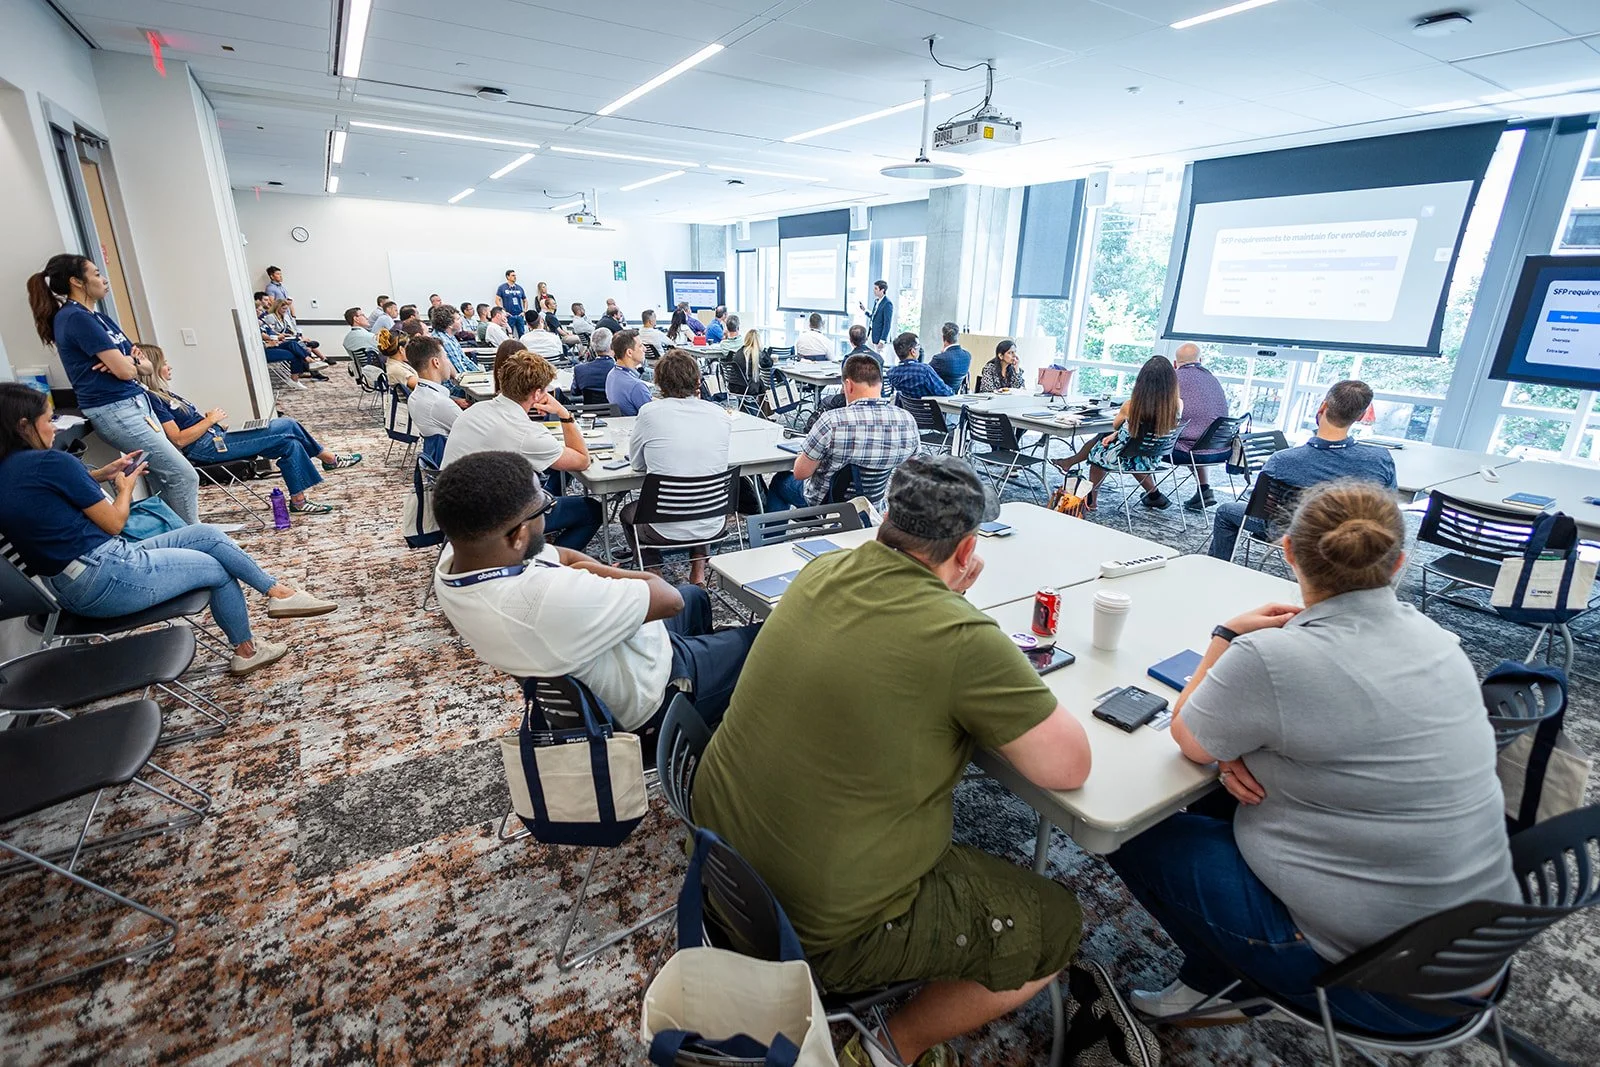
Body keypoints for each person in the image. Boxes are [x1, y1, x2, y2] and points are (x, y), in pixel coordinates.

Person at [694, 455, 1092, 1067]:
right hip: (823, 928)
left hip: (723, 867)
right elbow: (1070, 768)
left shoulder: (821, 569)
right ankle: (889, 1048)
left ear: (886, 520)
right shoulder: (959, 636)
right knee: (1058, 922)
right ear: (966, 549)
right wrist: (953, 604)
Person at [1107, 479, 1517, 1034]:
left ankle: (1225, 984)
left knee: (1126, 830)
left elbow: (1189, 737)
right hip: (1474, 957)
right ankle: (1226, 967)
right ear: (1398, 564)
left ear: (1288, 552)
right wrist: (1241, 747)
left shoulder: (1272, 656)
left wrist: (1225, 636)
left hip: (1373, 986)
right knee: (1215, 804)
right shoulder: (1437, 639)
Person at [0, 383, 339, 676]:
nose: (56, 429)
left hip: (73, 581)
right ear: (23, 425)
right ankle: (247, 652)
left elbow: (45, 496)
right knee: (218, 569)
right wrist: (126, 487)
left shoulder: (11, 468)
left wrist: (100, 475)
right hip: (103, 576)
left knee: (205, 535)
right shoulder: (51, 462)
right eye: (50, 420)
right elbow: (115, 523)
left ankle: (277, 593)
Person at [431, 450, 761, 732]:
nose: (548, 513)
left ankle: (715, 700)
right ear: (516, 536)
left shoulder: (461, 559)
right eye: (544, 509)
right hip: (650, 695)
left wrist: (599, 575)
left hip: (610, 656)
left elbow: (561, 555)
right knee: (763, 638)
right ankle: (698, 700)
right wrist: (606, 577)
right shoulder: (548, 597)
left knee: (696, 596)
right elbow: (667, 599)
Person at [26, 254, 201, 524]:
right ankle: (194, 539)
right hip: (116, 410)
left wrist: (128, 362)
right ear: (77, 281)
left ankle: (171, 538)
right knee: (183, 475)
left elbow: (143, 365)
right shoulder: (74, 318)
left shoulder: (100, 319)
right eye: (96, 274)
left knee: (162, 477)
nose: (103, 279)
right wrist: (127, 365)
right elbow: (125, 370)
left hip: (136, 405)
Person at [137, 344, 359, 515]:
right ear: (153, 369)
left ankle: (299, 502)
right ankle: (329, 458)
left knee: (289, 443)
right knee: (288, 424)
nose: (170, 367)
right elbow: (177, 440)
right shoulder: (155, 399)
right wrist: (209, 420)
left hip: (215, 437)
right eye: (165, 363)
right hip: (206, 448)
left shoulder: (166, 394)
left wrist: (209, 422)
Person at [1207, 379, 1395, 560]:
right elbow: (1387, 507)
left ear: (1323, 407)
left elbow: (1260, 509)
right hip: (1351, 538)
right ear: (1361, 416)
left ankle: (1217, 570)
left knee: (1225, 512)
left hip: (1293, 532)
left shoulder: (1283, 460)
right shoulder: (1380, 459)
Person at [442, 349, 602, 551]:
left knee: (548, 478)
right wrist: (563, 413)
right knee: (593, 510)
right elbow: (582, 460)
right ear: (537, 393)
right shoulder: (525, 433)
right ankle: (549, 567)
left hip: (452, 511)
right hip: (492, 522)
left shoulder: (476, 409)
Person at [622, 351, 732, 586]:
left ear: (659, 383)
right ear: (697, 382)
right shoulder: (721, 415)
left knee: (628, 513)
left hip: (663, 526)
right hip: (713, 521)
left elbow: (637, 464)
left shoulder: (649, 413)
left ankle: (655, 575)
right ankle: (698, 572)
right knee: (700, 499)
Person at [767, 354, 918, 511]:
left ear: (848, 385)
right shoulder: (907, 419)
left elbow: (800, 473)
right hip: (872, 507)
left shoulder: (832, 421)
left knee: (780, 482)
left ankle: (772, 535)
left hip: (826, 505)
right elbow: (912, 471)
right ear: (880, 383)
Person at [1053, 354, 1182, 510]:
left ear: (1142, 382)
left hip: (1126, 458)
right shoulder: (1177, 405)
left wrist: (1119, 427)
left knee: (1098, 450)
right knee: (1111, 443)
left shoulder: (1131, 405)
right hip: (1153, 457)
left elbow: (1116, 425)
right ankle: (1154, 494)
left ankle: (1092, 499)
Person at [1170, 342, 1232, 512]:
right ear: (1201, 361)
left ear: (1175, 364)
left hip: (1189, 451)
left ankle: (1153, 494)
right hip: (1220, 449)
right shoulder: (1212, 378)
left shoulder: (1173, 379)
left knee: (1143, 439)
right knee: (1196, 435)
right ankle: (1204, 489)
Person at [404, 336, 464, 464]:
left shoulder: (415, 395)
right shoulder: (438, 403)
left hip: (437, 459)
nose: (448, 362)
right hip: (454, 465)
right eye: (446, 357)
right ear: (436, 362)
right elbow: (473, 432)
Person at [883, 332, 951, 400]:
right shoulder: (924, 370)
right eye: (918, 346)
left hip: (903, 410)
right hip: (926, 410)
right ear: (913, 351)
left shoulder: (891, 373)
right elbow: (945, 392)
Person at [605, 329, 654, 416]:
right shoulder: (636, 386)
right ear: (629, 352)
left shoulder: (611, 375)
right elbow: (653, 416)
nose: (645, 349)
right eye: (640, 346)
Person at [430, 305, 483, 377]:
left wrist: (480, 374)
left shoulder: (449, 336)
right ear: (449, 324)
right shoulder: (444, 341)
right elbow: (459, 369)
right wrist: (478, 378)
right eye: (458, 319)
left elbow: (465, 360)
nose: (461, 321)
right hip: (454, 384)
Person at [720, 328, 771, 402]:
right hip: (749, 388)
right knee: (767, 385)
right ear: (759, 341)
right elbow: (769, 365)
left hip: (733, 387)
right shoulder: (757, 354)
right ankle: (764, 411)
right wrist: (763, 350)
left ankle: (756, 409)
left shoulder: (739, 352)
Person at [572, 327, 616, 397]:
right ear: (612, 345)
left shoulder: (580, 370)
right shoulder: (620, 371)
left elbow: (575, 392)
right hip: (615, 407)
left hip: (589, 407)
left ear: (592, 347)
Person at [929, 322, 971, 391]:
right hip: (955, 397)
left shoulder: (939, 359)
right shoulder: (967, 356)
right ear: (958, 336)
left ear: (943, 338)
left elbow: (925, 375)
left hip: (938, 397)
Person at [862, 279, 893, 351]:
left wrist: (882, 340)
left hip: (879, 338)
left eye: (876, 288)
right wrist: (865, 310)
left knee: (878, 358)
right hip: (872, 335)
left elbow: (887, 323)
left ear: (882, 290)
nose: (874, 290)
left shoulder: (887, 303)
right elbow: (874, 317)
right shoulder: (877, 301)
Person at [495, 269, 528, 336]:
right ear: (507, 277)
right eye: (513, 275)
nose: (515, 277)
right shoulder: (502, 287)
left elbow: (525, 300)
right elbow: (497, 300)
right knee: (509, 333)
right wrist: (503, 311)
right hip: (509, 315)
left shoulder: (519, 288)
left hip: (519, 315)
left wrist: (524, 311)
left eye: (515, 275)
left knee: (522, 333)